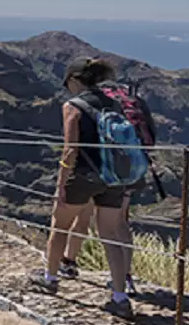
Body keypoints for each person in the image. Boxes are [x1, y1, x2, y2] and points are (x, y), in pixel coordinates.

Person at [30, 58, 135, 320]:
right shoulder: (115, 104)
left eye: (67, 82)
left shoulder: (72, 106)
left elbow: (70, 149)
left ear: (75, 80)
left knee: (59, 226)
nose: (67, 87)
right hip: (113, 177)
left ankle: (50, 279)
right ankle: (120, 298)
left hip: (83, 175)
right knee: (110, 235)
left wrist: (61, 184)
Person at [59, 80, 159, 294]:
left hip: (97, 168)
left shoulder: (94, 102)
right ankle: (125, 278)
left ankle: (68, 262)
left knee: (83, 216)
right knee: (120, 222)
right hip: (129, 168)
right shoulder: (131, 102)